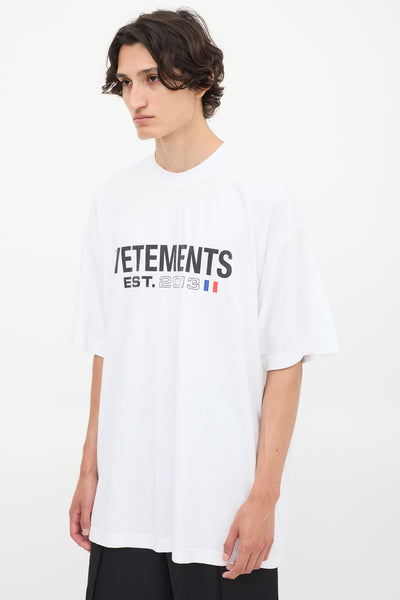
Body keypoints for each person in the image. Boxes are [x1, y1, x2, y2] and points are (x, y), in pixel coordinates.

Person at [68, 8, 339, 600]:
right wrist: (90, 470)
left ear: (199, 78)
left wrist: (265, 497)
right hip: (127, 505)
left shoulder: (261, 197)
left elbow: (286, 360)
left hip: (221, 513)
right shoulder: (113, 202)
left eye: (151, 78)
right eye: (125, 82)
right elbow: (106, 350)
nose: (135, 98)